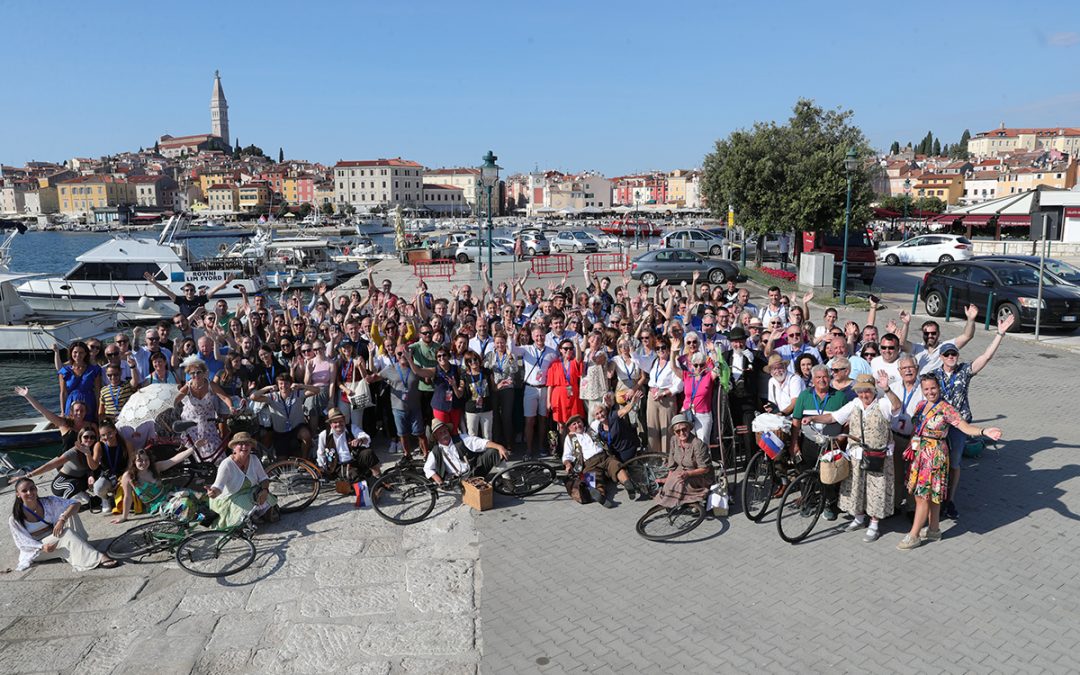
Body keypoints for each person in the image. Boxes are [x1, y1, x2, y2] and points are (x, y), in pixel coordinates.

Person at [897, 374, 1002, 550]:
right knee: (930, 494)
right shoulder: (920, 405)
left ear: (939, 388)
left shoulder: (947, 409)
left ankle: (914, 535)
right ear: (922, 391)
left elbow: (964, 427)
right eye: (926, 389)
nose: (930, 392)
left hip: (934, 455)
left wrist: (984, 431)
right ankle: (934, 529)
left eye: (933, 388)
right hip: (920, 454)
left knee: (922, 495)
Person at [931, 314, 1013, 519]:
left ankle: (949, 500)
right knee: (938, 463)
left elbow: (985, 357)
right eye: (947, 354)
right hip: (939, 425)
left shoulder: (964, 371)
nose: (951, 357)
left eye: (954, 354)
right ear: (941, 357)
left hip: (960, 424)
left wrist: (999, 334)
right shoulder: (933, 375)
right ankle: (935, 499)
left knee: (955, 464)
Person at [807, 372, 901, 542]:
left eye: (867, 391)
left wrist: (886, 388)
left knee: (876, 490)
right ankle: (858, 519)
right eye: (860, 391)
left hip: (877, 455)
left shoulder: (883, 404)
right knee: (856, 487)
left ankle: (874, 525)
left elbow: (897, 407)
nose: (864, 395)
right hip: (857, 454)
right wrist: (813, 417)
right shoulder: (855, 404)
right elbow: (833, 417)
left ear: (874, 390)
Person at [8, 477, 118, 572]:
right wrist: (42, 547)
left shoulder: (48, 501)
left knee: (69, 512)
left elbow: (75, 503)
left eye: (32, 488)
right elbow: (22, 543)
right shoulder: (15, 518)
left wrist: (62, 519)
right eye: (24, 491)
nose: (29, 493)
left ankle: (81, 546)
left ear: (36, 489)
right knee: (67, 534)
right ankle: (99, 558)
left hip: (54, 536)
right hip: (38, 548)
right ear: (18, 494)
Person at [788, 365, 845, 519]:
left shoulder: (839, 396)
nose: (822, 380)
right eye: (818, 377)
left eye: (825, 376)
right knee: (806, 474)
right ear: (812, 380)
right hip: (810, 442)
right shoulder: (804, 396)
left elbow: (846, 422)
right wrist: (794, 443)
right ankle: (807, 501)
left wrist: (841, 439)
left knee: (829, 476)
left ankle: (829, 504)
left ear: (830, 378)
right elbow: (796, 421)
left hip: (831, 444)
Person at [560, 414, 635, 508]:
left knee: (616, 466)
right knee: (591, 477)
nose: (577, 425)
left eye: (579, 422)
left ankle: (628, 484)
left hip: (604, 457)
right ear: (570, 428)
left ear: (583, 422)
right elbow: (566, 455)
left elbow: (599, 418)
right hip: (589, 463)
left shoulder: (591, 428)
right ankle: (600, 496)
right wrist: (567, 464)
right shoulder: (570, 438)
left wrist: (605, 403)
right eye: (574, 424)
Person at [206, 432, 279, 528]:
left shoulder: (254, 459)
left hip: (250, 491)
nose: (244, 446)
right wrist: (213, 492)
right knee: (245, 505)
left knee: (266, 497)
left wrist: (265, 490)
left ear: (250, 447)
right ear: (234, 448)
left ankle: (255, 515)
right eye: (240, 444)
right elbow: (218, 486)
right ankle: (249, 518)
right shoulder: (227, 464)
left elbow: (264, 478)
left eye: (247, 444)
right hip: (231, 497)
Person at [12, 427, 98, 504]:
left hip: (78, 480)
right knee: (73, 485)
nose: (89, 439)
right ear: (80, 438)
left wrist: (91, 475)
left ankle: (80, 494)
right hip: (61, 482)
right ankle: (63, 505)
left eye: (92, 437)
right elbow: (50, 465)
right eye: (86, 437)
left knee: (95, 475)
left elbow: (91, 467)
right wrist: (28, 475)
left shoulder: (94, 450)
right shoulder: (73, 452)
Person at [112, 446, 196, 523]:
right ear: (134, 461)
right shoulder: (128, 476)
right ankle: (180, 524)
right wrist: (124, 517)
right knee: (184, 504)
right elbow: (127, 497)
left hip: (170, 493)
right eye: (140, 460)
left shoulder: (156, 467)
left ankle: (204, 521)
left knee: (198, 497)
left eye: (146, 460)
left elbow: (175, 460)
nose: (144, 463)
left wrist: (193, 448)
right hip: (157, 506)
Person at [175, 356, 235, 463]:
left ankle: (216, 468)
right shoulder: (187, 387)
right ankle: (197, 471)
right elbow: (176, 399)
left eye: (198, 372)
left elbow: (224, 397)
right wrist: (171, 404)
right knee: (193, 447)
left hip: (208, 420)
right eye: (192, 373)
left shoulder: (210, 385)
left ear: (204, 372)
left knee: (214, 445)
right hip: (191, 421)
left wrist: (231, 407)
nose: (195, 375)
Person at [250, 373, 322, 460]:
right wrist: (267, 388)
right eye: (281, 383)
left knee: (306, 435)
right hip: (281, 433)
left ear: (290, 384)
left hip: (296, 428)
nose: (283, 386)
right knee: (282, 460)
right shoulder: (272, 397)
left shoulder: (297, 393)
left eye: (286, 383)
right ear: (278, 385)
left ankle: (304, 460)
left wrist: (301, 385)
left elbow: (317, 390)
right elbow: (253, 397)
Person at [423, 419, 510, 486]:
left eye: (445, 431)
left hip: (475, 469)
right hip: (460, 479)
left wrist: (499, 446)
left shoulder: (461, 438)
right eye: (440, 433)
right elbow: (427, 468)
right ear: (435, 436)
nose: (444, 434)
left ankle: (507, 480)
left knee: (494, 451)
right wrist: (438, 480)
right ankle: (490, 483)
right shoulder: (435, 452)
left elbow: (480, 442)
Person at [653, 414, 715, 508]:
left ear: (689, 428)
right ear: (674, 432)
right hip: (682, 471)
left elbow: (705, 469)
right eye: (678, 431)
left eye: (684, 429)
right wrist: (668, 480)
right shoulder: (674, 440)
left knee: (679, 483)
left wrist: (688, 474)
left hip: (700, 475)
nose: (681, 433)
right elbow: (672, 464)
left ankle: (689, 501)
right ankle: (671, 502)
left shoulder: (697, 444)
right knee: (672, 481)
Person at [316, 409, 380, 484]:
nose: (338, 424)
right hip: (339, 465)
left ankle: (379, 479)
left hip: (354, 459)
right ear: (330, 424)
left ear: (344, 420)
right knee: (355, 478)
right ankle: (364, 486)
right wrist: (322, 469)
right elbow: (320, 453)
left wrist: (360, 440)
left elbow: (366, 438)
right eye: (335, 422)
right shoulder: (324, 435)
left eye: (340, 421)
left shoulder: (351, 428)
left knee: (368, 453)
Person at [484, 333, 521, 448]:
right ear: (494, 344)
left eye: (502, 342)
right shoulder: (490, 355)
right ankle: (497, 442)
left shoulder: (511, 355)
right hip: (495, 388)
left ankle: (509, 443)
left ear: (505, 343)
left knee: (506, 416)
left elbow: (514, 369)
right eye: (497, 343)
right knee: (495, 416)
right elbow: (485, 368)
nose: (500, 345)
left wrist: (510, 357)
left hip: (507, 389)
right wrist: (495, 384)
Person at [645, 338, 681, 455]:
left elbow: (680, 384)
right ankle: (654, 457)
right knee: (652, 428)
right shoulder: (654, 361)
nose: (660, 350)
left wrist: (665, 393)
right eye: (657, 348)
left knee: (667, 428)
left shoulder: (674, 362)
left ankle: (667, 458)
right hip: (652, 397)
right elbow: (635, 358)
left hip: (666, 397)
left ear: (668, 348)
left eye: (663, 347)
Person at [89, 421, 132, 516]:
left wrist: (124, 478)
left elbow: (131, 462)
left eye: (109, 433)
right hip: (108, 476)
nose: (107, 437)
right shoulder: (99, 445)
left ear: (115, 431)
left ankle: (115, 497)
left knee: (130, 502)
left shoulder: (125, 443)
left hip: (123, 475)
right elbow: (94, 466)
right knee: (98, 488)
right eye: (103, 435)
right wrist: (87, 454)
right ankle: (105, 499)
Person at [546, 339, 585, 433]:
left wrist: (577, 345)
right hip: (559, 398)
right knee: (561, 425)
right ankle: (563, 446)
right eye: (565, 348)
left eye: (571, 349)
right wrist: (548, 402)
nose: (568, 351)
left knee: (574, 423)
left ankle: (575, 446)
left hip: (573, 396)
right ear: (560, 350)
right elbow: (550, 385)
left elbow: (579, 358)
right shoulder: (554, 364)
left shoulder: (574, 362)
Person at [58, 341, 102, 422]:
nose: (78, 355)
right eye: (75, 352)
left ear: (86, 354)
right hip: (71, 404)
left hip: (89, 403)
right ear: (71, 353)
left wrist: (98, 410)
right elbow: (63, 393)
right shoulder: (64, 371)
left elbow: (97, 392)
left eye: (81, 352)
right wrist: (63, 412)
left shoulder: (94, 370)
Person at [462, 350, 495, 439]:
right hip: (471, 409)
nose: (473, 362)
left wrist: (500, 385)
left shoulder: (487, 372)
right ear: (467, 363)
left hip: (486, 407)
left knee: (487, 435)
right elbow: (461, 391)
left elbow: (493, 388)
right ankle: (474, 453)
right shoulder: (464, 376)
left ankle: (488, 453)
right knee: (472, 435)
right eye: (470, 361)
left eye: (475, 359)